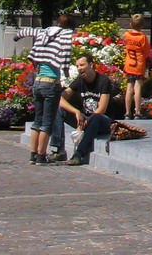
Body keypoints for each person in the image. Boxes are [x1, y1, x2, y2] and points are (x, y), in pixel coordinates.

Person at [14, 14, 74, 165]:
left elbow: (28, 31)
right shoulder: (66, 35)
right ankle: (41, 156)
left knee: (37, 120)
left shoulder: (44, 31)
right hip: (51, 83)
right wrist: (66, 72)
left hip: (38, 82)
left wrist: (17, 36)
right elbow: (65, 55)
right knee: (47, 122)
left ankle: (32, 155)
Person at [59, 53, 114, 165]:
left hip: (103, 120)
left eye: (82, 65)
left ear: (91, 65)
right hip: (85, 118)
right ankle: (58, 149)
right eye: (77, 66)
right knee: (58, 110)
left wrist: (85, 122)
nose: (79, 68)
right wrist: (76, 112)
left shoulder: (104, 81)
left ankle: (79, 154)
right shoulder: (79, 81)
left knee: (97, 118)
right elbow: (60, 99)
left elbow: (102, 109)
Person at [122, 13, 152, 119]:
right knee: (138, 87)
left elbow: (125, 45)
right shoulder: (142, 37)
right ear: (142, 26)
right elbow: (147, 52)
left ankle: (127, 112)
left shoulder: (126, 35)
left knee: (129, 87)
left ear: (130, 24)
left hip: (129, 64)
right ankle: (137, 112)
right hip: (139, 65)